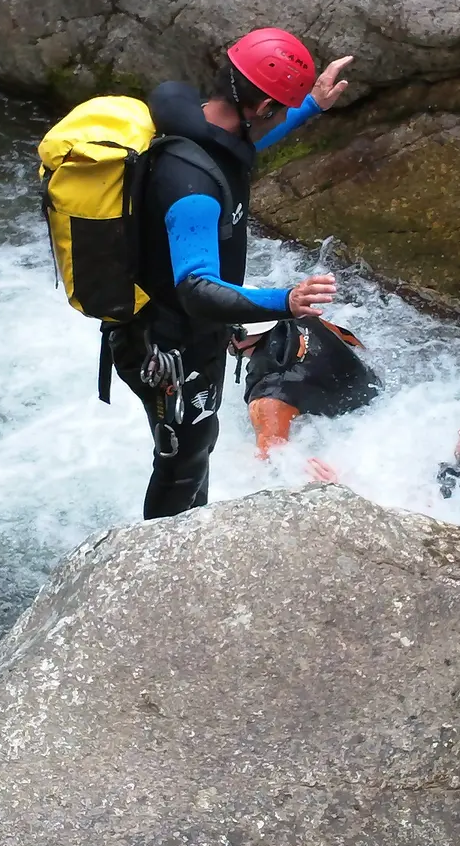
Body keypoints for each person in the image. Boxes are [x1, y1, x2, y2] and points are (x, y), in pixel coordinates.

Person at [109, 29, 354, 519]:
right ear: (261, 105)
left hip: (186, 333)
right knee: (181, 460)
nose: (281, 116)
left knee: (198, 444)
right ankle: (164, 572)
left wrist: (311, 106)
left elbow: (241, 149)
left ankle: (187, 538)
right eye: (281, 108)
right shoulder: (193, 187)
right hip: (166, 344)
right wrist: (284, 301)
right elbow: (196, 289)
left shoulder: (205, 130)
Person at [234, 317, 381, 458]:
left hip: (350, 435)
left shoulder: (267, 397)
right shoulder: (301, 316)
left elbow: (273, 461)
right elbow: (349, 339)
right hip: (377, 394)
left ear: (238, 337)